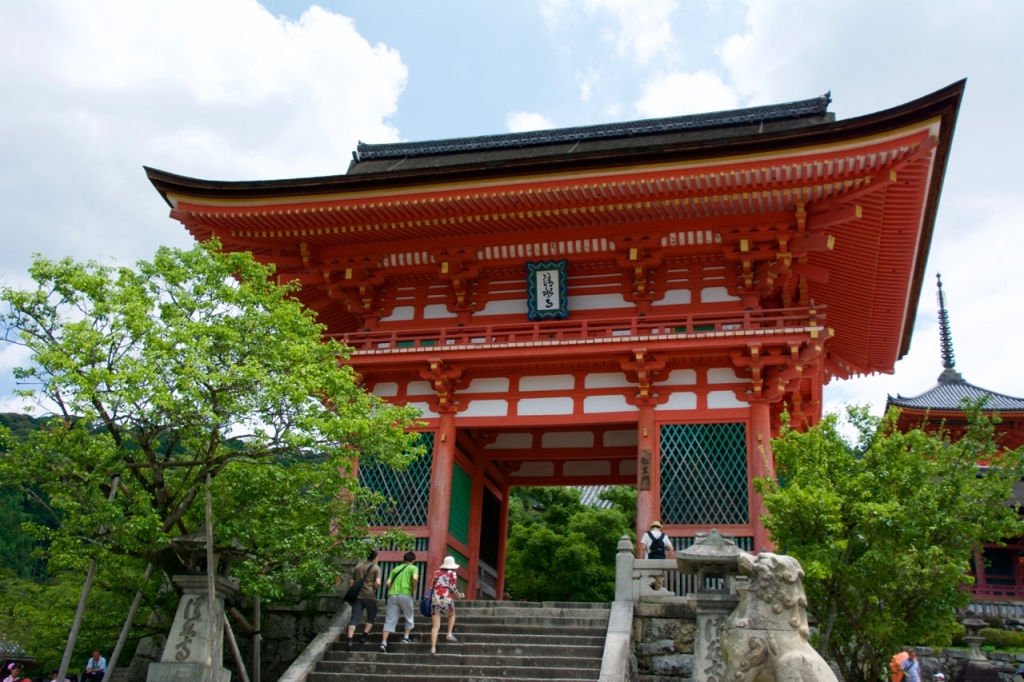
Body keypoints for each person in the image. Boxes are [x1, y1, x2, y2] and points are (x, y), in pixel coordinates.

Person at [379, 551, 419, 653]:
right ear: (413, 560)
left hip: (392, 595)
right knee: (408, 615)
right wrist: (413, 589)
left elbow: (388, 583)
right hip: (405, 593)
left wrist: (392, 589)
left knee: (389, 619)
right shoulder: (413, 568)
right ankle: (406, 637)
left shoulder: (396, 569)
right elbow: (415, 578)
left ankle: (384, 642)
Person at [345, 549, 382, 651]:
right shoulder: (376, 568)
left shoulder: (358, 566)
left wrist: (351, 594)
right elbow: (378, 583)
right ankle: (364, 635)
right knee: (371, 616)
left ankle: (349, 640)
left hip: (358, 596)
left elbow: (351, 581)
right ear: (375, 558)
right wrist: (373, 588)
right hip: (369, 595)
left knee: (354, 618)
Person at [428, 555, 464, 655]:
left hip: (435, 599)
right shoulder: (453, 573)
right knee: (452, 614)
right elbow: (452, 587)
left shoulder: (436, 573)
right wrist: (458, 595)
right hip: (447, 598)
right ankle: (449, 633)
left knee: (435, 626)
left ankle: (433, 648)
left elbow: (431, 586)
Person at [639, 521, 675, 590]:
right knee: (659, 583)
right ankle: (659, 598)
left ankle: (648, 599)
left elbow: (643, 548)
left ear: (651, 528)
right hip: (661, 562)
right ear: (660, 528)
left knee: (648, 582)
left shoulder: (647, 534)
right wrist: (669, 560)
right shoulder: (664, 536)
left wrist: (641, 560)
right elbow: (671, 548)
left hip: (649, 562)